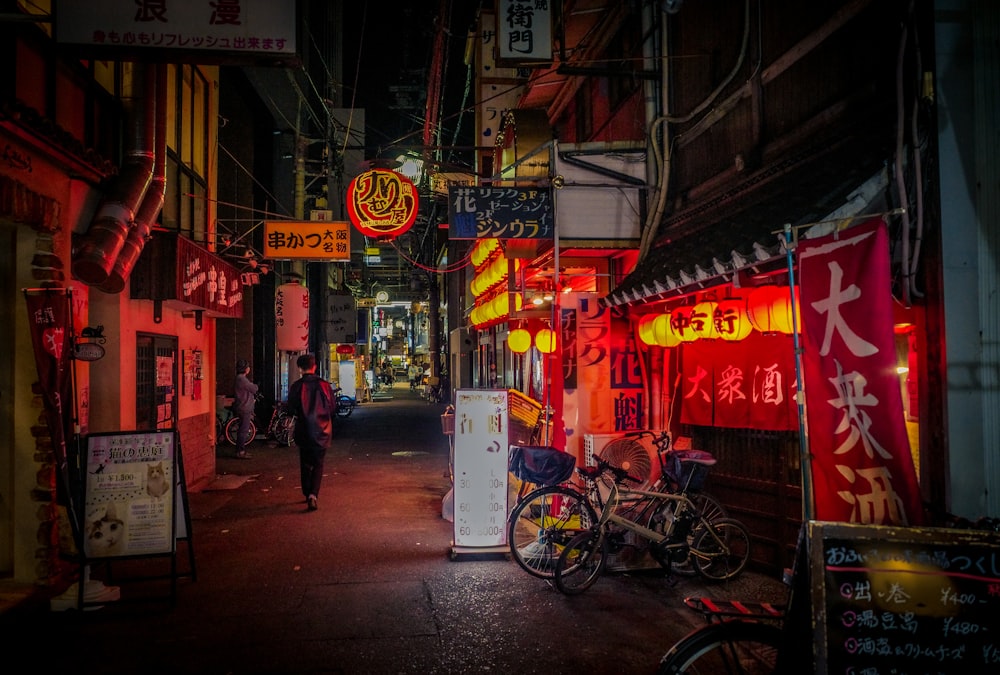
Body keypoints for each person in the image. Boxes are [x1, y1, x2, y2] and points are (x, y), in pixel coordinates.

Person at [287, 353, 335, 511]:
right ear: (314, 366)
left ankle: (307, 492)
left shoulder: (296, 386)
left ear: (300, 368)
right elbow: (332, 407)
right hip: (322, 429)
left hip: (304, 430)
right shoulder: (324, 385)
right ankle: (313, 495)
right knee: (318, 463)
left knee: (305, 462)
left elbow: (291, 408)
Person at [233, 359, 258, 459]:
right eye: (248, 367)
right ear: (246, 369)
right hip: (244, 407)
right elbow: (253, 388)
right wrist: (255, 386)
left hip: (241, 406)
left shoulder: (239, 378)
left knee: (242, 429)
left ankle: (240, 450)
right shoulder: (242, 379)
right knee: (243, 430)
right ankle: (240, 451)